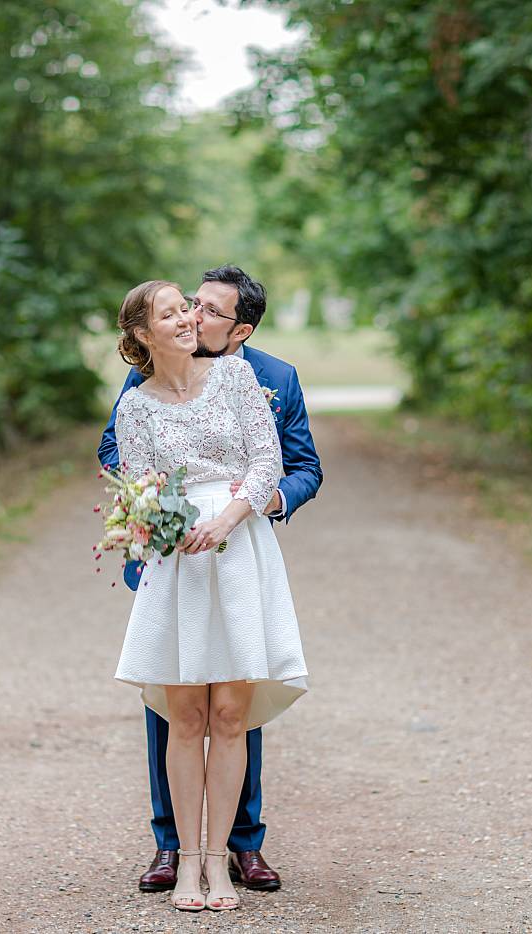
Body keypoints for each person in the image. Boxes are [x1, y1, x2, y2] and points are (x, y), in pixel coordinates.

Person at [98, 266, 323, 907]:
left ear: (239, 327)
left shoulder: (255, 376)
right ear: (146, 332)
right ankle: (177, 851)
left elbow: (287, 462)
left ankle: (236, 848)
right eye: (183, 307)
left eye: (204, 310)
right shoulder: (137, 394)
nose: (193, 317)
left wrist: (235, 513)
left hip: (240, 544)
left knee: (232, 710)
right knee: (178, 713)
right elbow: (124, 461)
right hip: (172, 559)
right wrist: (149, 519)